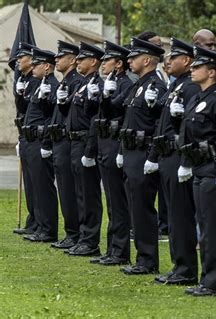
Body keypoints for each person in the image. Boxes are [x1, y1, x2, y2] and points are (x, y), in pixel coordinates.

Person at [178, 45, 216, 296]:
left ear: (212, 72)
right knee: (204, 224)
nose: (192, 69)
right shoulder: (196, 98)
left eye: (198, 66)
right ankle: (206, 279)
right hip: (199, 167)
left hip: (214, 169)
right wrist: (186, 162)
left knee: (213, 227)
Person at [150, 38, 201, 285]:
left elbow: (190, 128)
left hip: (178, 156)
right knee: (173, 215)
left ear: (187, 61)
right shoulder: (176, 86)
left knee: (180, 216)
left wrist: (186, 161)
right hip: (167, 155)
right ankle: (178, 264)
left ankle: (186, 268)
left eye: (174, 57)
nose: (168, 61)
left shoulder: (190, 87)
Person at [119, 37, 167, 275]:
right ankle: (142, 257)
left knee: (142, 208)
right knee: (134, 207)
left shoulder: (155, 85)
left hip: (143, 152)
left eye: (134, 56)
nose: (129, 60)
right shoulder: (139, 84)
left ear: (147, 60)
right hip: (131, 152)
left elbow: (160, 124)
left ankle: (147, 260)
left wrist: (153, 156)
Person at [89, 41, 134, 266]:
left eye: (107, 60)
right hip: (104, 141)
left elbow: (115, 109)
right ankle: (111, 248)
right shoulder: (111, 81)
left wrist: (105, 98)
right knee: (111, 200)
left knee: (118, 201)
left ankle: (120, 251)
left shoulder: (125, 83)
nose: (103, 64)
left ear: (119, 63)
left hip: (115, 143)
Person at [57, 42, 104, 257]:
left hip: (86, 142)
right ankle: (83, 237)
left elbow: (95, 118)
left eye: (82, 59)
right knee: (79, 193)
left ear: (93, 61)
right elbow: (73, 113)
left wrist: (90, 150)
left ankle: (90, 240)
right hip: (74, 142)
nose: (77, 62)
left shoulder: (97, 85)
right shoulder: (82, 84)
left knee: (89, 195)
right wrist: (62, 103)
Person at [21, 48, 59, 243]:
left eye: (36, 64)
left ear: (46, 66)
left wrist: (46, 143)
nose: (32, 67)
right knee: (35, 185)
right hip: (30, 139)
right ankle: (38, 224)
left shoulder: (52, 85)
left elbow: (51, 115)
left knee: (44, 186)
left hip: (40, 140)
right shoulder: (39, 84)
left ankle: (48, 229)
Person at [49, 41, 82, 249]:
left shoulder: (76, 82)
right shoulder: (64, 82)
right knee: (63, 187)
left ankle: (75, 232)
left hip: (67, 140)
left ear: (72, 59)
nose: (56, 60)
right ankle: (71, 232)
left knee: (69, 189)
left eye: (60, 57)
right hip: (58, 140)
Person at [12, 42, 40, 235]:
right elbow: (23, 109)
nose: (17, 62)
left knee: (37, 184)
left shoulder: (37, 81)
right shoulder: (25, 80)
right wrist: (19, 93)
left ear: (31, 60)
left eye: (20, 58)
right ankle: (33, 221)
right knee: (30, 184)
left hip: (36, 137)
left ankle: (40, 223)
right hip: (26, 135)